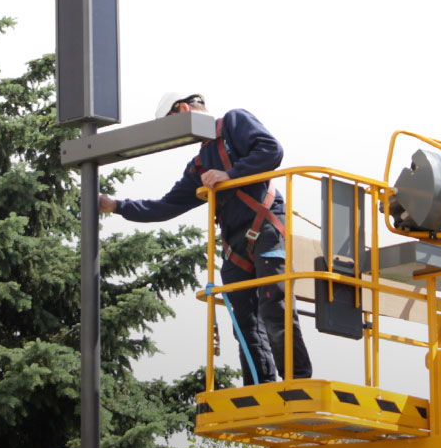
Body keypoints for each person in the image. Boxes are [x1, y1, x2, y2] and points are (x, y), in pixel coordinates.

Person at [99, 92, 312, 385]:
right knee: (244, 323)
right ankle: (261, 388)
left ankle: (298, 382)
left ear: (185, 109)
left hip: (265, 227)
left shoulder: (234, 123)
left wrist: (230, 173)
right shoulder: (199, 165)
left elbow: (271, 150)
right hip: (235, 244)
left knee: (273, 306)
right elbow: (166, 206)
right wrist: (117, 206)